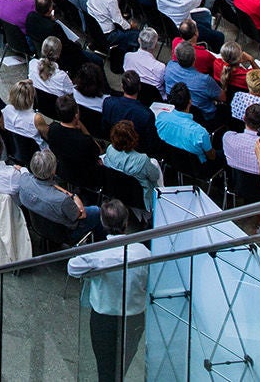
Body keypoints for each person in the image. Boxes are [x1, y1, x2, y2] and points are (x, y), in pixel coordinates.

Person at [67, 201, 149, 382]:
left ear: (103, 223)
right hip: (134, 317)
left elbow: (72, 267)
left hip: (104, 318)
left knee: (104, 368)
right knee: (122, 366)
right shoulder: (143, 252)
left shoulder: (98, 253)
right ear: (126, 222)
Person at [17, 150, 102, 244]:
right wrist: (74, 196)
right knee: (98, 211)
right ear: (53, 170)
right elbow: (81, 215)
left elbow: (22, 170)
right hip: (65, 233)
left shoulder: (23, 180)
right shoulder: (62, 200)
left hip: (40, 228)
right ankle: (102, 243)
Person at [102, 120, 161, 212]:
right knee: (155, 163)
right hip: (140, 199)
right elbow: (155, 176)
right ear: (133, 137)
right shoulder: (142, 160)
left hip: (117, 191)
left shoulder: (109, 150)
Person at [154, 82, 215, 163]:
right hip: (198, 167)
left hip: (171, 162)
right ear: (190, 102)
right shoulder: (200, 133)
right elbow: (211, 156)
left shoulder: (161, 118)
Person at [101, 71, 159, 154]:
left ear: (122, 86)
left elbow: (105, 126)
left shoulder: (108, 102)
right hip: (136, 149)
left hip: (116, 142)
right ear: (139, 87)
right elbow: (149, 142)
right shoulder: (146, 114)